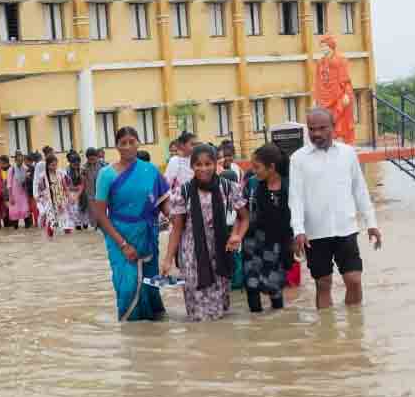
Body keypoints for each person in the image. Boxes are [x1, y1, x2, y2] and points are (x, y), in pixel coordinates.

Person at [290, 107, 382, 309]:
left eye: (322, 128)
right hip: (315, 233)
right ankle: (326, 335)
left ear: (333, 127)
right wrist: (298, 230)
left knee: (354, 280)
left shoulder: (348, 154)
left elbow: (360, 190)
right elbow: (295, 198)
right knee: (323, 284)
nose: (317, 134)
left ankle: (354, 333)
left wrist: (371, 224)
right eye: (312, 129)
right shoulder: (298, 158)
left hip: (346, 229)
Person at [91, 126, 170, 322]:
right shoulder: (106, 174)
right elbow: (100, 214)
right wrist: (123, 245)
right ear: (116, 146)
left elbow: (163, 203)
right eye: (122, 143)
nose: (127, 147)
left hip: (147, 235)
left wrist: (179, 221)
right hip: (119, 235)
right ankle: (129, 331)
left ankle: (152, 335)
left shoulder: (150, 170)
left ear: (138, 144)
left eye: (131, 142)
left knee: (150, 286)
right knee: (127, 287)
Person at [162, 144, 249, 322]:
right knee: (198, 310)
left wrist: (237, 236)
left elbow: (244, 218)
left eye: (208, 163)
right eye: (198, 164)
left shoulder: (229, 187)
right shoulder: (183, 192)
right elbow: (177, 228)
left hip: (220, 251)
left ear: (216, 164)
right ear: (191, 166)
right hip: (192, 254)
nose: (203, 169)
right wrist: (168, 259)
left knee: (218, 309)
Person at [242, 144, 295, 313]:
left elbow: (298, 215)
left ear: (271, 167)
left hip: (277, 244)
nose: (254, 171)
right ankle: (256, 325)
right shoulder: (251, 185)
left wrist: (295, 240)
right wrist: (236, 235)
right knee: (251, 284)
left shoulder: (290, 186)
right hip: (253, 242)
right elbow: (241, 213)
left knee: (274, 285)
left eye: (257, 167)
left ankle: (277, 322)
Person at [35, 154, 74, 238]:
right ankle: (50, 237)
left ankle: (67, 239)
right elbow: (40, 189)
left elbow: (65, 186)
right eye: (52, 165)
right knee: (52, 222)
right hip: (49, 201)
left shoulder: (60, 173)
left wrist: (69, 196)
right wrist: (40, 197)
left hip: (61, 199)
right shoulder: (43, 176)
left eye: (56, 164)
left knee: (65, 221)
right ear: (48, 165)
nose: (55, 167)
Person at [7, 152, 32, 229]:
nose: (20, 162)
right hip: (14, 194)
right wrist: (10, 197)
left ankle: (28, 231)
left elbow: (28, 182)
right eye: (18, 160)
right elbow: (9, 184)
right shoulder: (11, 169)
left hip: (23, 193)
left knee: (26, 211)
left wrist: (28, 178)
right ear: (15, 160)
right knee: (15, 213)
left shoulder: (25, 168)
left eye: (21, 160)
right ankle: (15, 229)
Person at [64, 151, 89, 230]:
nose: (76, 165)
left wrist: (79, 191)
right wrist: (73, 190)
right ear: (70, 163)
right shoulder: (66, 171)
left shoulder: (82, 170)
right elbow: (66, 184)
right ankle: (77, 223)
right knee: (74, 209)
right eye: (74, 163)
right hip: (71, 192)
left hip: (82, 191)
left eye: (77, 163)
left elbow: (83, 183)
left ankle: (85, 222)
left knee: (84, 207)